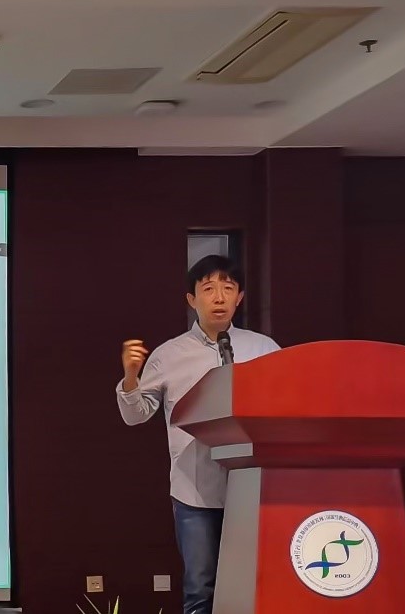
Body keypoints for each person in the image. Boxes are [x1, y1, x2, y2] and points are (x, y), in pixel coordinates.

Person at [115, 255, 279, 614]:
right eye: (208, 289)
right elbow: (135, 415)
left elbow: (286, 405)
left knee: (257, 587)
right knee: (200, 588)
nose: (219, 297)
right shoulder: (169, 355)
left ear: (240, 297)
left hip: (254, 489)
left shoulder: (264, 349)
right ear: (192, 299)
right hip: (195, 491)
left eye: (228, 288)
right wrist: (130, 377)